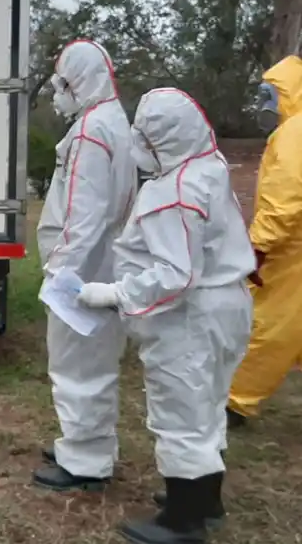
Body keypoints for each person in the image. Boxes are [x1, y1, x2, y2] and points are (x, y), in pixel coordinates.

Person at [76, 88, 255, 543]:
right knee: (208, 406)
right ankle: (204, 500)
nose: (140, 146)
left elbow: (174, 275)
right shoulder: (206, 168)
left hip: (191, 318)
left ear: (166, 138)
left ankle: (183, 522)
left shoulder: (174, 191)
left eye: (146, 137)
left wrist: (113, 293)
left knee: (181, 413)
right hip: (225, 305)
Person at [33, 39, 137, 491]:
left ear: (79, 80)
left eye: (62, 83)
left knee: (76, 364)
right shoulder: (112, 122)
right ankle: (88, 444)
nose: (57, 93)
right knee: (94, 361)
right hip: (104, 263)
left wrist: (60, 273)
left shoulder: (93, 130)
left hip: (83, 270)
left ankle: (84, 463)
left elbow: (82, 212)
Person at [227, 54, 302, 426]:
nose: (263, 106)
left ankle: (234, 402)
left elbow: (286, 200)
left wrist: (257, 248)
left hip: (290, 254)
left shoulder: (294, 133)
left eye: (268, 96)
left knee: (267, 328)